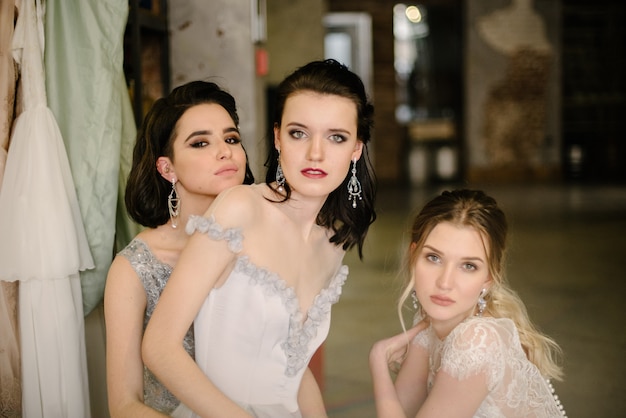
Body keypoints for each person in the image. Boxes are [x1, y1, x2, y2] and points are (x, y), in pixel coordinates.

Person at [142, 59, 376, 417]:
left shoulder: (332, 241)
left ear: (356, 149)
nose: (316, 153)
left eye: (336, 137)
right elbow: (159, 346)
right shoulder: (240, 208)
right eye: (299, 133)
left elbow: (294, 373)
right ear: (278, 137)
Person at [104, 80, 255, 417]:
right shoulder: (135, 267)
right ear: (166, 168)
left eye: (231, 139)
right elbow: (124, 404)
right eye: (200, 143)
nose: (225, 151)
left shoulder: (258, 240)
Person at [369, 189, 567, 418]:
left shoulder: (477, 341)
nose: (445, 282)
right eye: (434, 258)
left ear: (489, 277)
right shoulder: (429, 329)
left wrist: (378, 362)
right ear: (413, 256)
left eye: (468, 266)